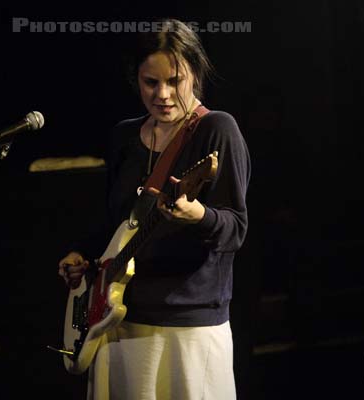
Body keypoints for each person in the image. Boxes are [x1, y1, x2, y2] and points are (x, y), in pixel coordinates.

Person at [57, 18, 250, 400]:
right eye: (150, 83)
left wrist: (200, 216)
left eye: (174, 81)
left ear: (195, 73)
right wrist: (83, 254)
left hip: (186, 326)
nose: (162, 94)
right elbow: (115, 222)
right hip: (116, 320)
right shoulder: (124, 136)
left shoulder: (217, 129)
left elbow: (235, 228)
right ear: (137, 80)